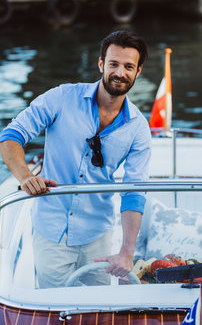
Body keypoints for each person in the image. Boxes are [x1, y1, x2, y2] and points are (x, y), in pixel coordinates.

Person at [0, 30, 151, 288]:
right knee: (56, 308)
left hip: (98, 233)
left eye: (128, 66)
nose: (120, 72)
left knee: (97, 309)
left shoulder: (139, 128)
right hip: (50, 229)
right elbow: (11, 135)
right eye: (113, 64)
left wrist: (126, 251)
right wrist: (25, 176)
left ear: (138, 72)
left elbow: (133, 192)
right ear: (101, 64)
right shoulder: (61, 97)